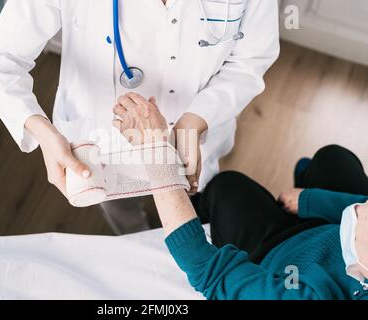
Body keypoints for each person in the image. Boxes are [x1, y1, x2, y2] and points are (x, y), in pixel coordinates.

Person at [0, 0, 280, 234]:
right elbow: (0, 57)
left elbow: (250, 60)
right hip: (102, 138)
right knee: (120, 206)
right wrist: (43, 132)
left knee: (194, 205)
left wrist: (197, 118)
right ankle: (133, 234)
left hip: (195, 133)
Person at [114, 94, 368, 300]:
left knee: (227, 187)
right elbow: (357, 202)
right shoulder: (359, 223)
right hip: (329, 230)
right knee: (334, 157)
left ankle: (199, 205)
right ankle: (304, 181)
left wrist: (155, 151)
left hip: (277, 257)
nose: (363, 206)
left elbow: (207, 270)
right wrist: (310, 200)